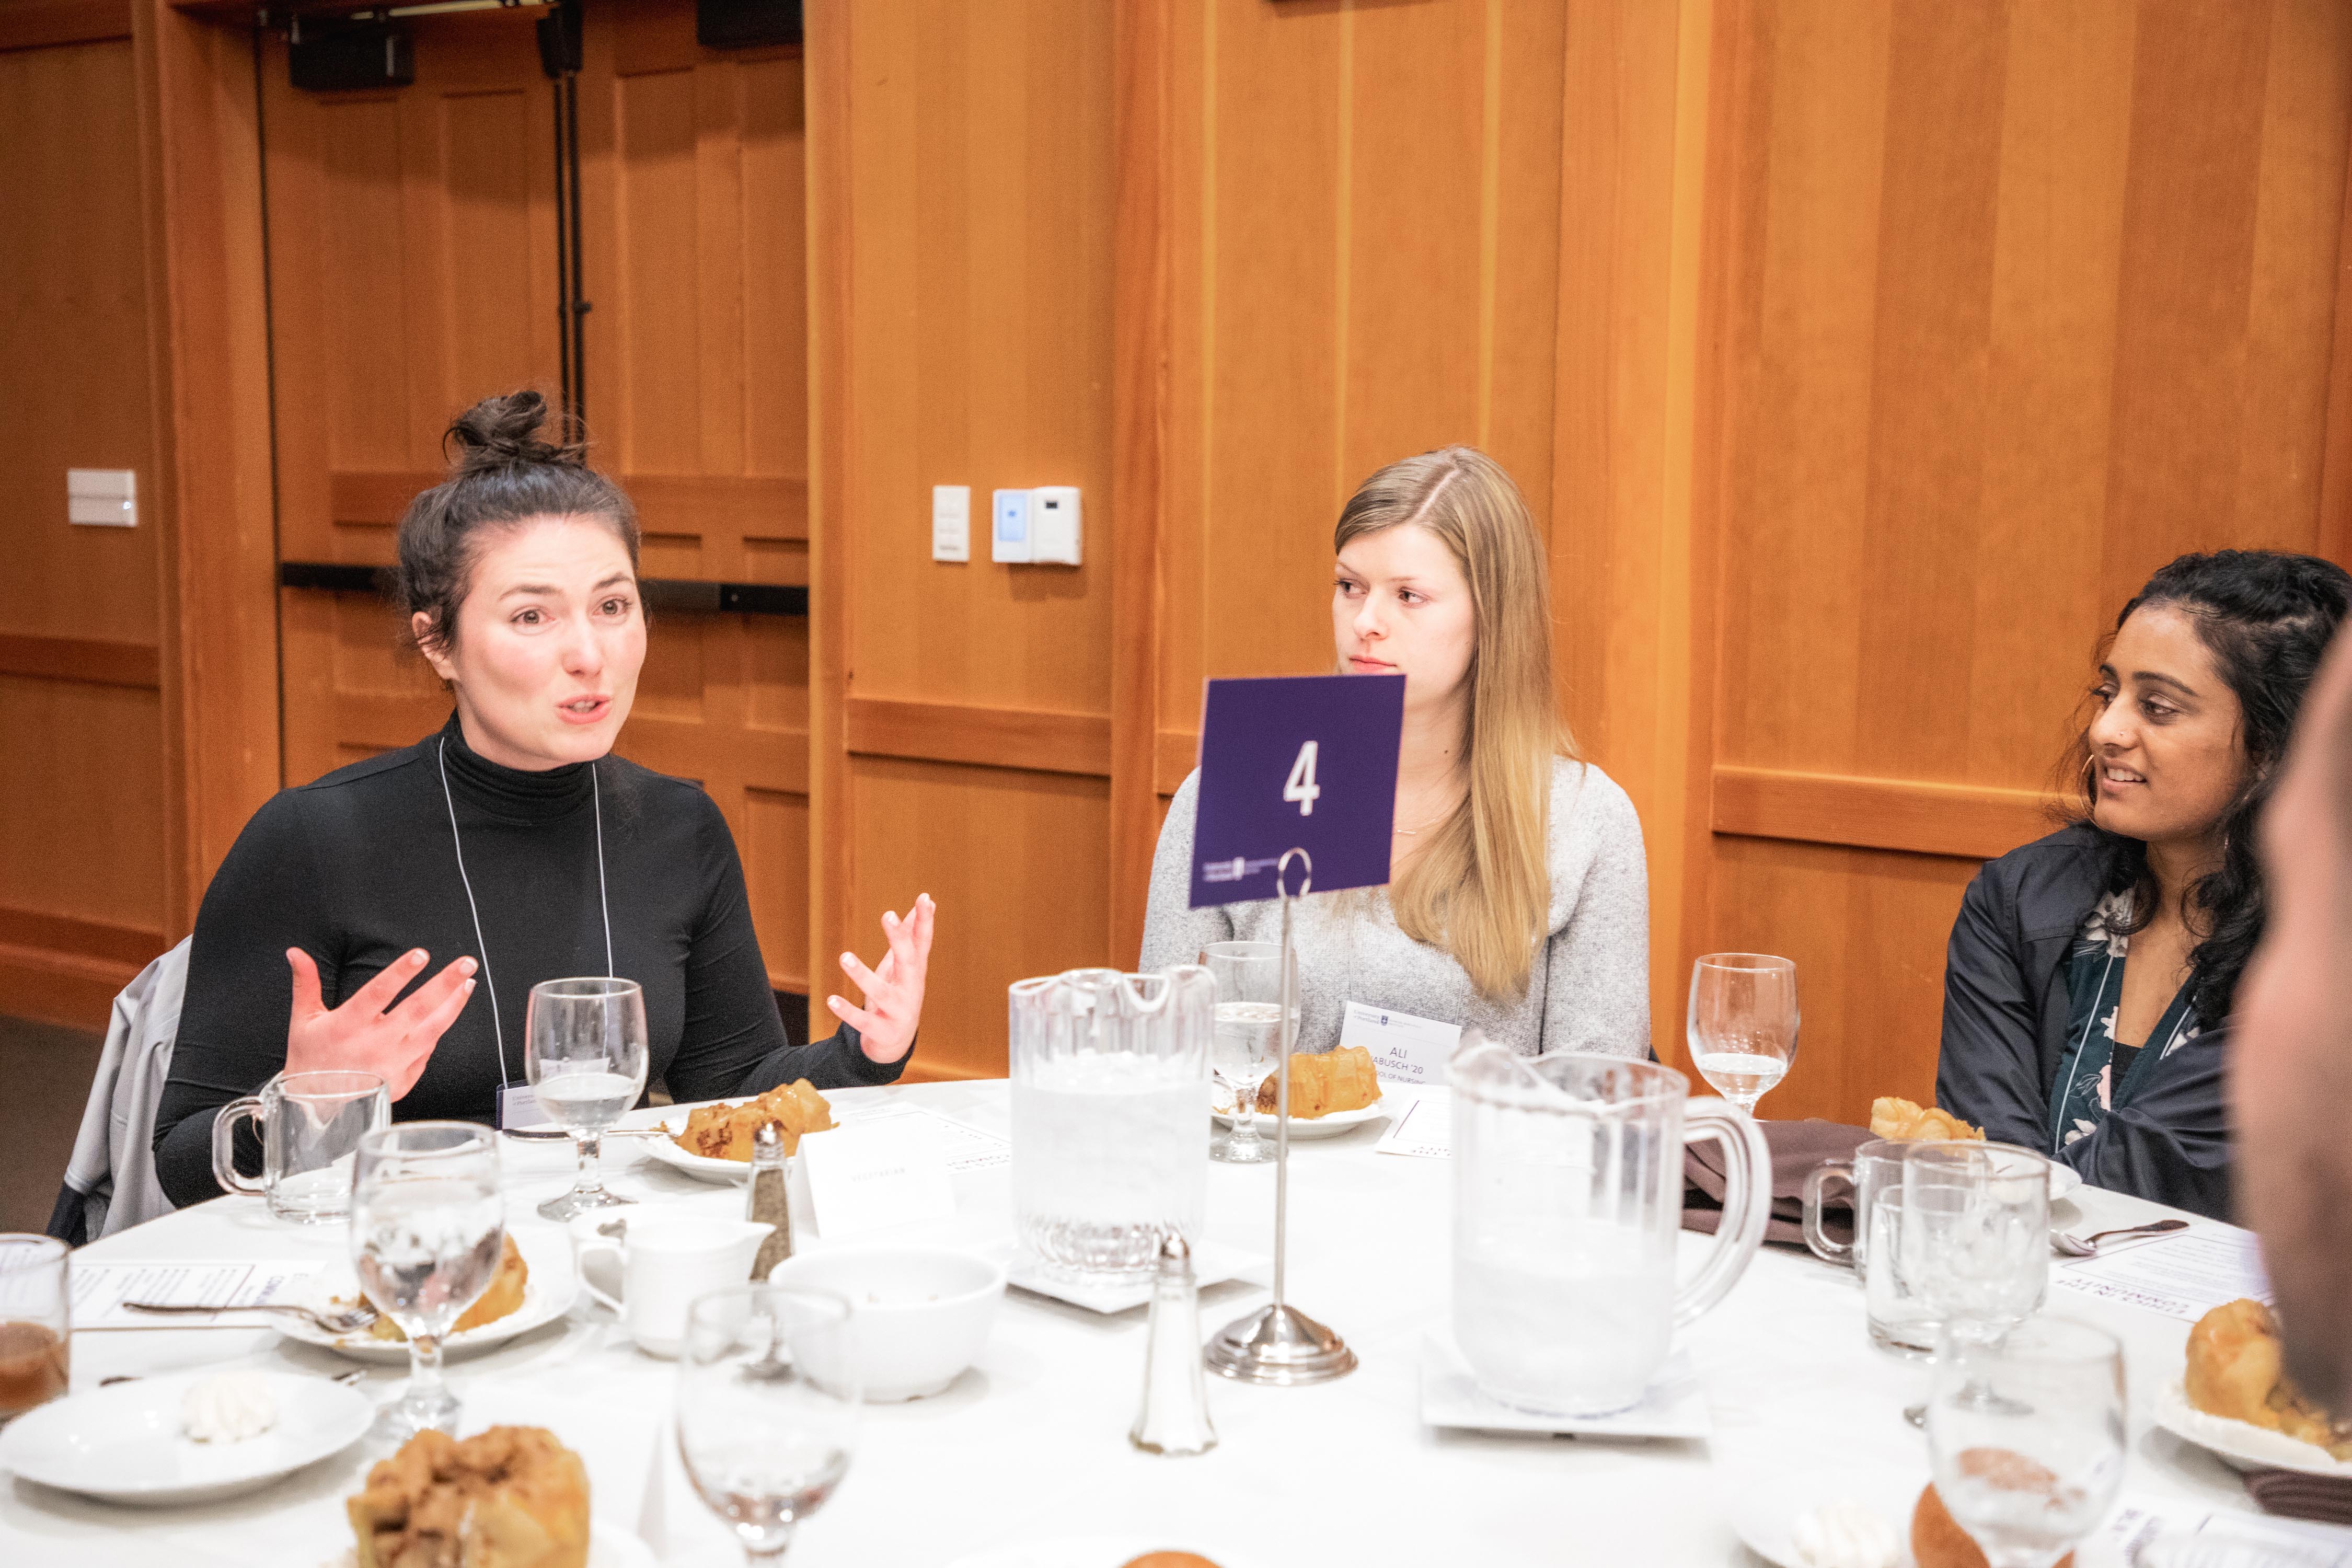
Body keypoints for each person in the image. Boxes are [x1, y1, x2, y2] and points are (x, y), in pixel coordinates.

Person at [153, 391, 934, 1207]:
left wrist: (862, 1052)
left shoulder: (679, 827)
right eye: (532, 615)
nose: (589, 654)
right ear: (438, 642)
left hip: (599, 1255)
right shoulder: (315, 838)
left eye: (612, 606)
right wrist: (305, 1107)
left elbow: (729, 1092)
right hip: (398, 1270)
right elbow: (178, 1162)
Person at [1139, 446, 1649, 1056]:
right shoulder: (1233, 789)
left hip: (1483, 1152)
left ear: (1492, 618)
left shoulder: (1583, 819)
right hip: (1265, 1149)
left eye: (1408, 596)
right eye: (1350, 586)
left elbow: (1601, 1099)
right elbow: (1163, 1055)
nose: (1366, 621)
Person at [1936, 550, 2350, 1220]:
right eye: (2109, 694)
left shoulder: (2327, 947)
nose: (2105, 730)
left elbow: (2150, 1172)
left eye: (2157, 708)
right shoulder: (2017, 897)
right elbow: (1984, 1164)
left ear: (2277, 748)